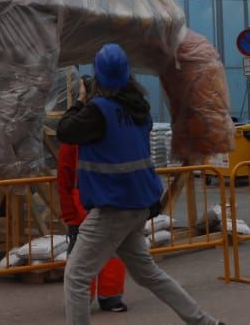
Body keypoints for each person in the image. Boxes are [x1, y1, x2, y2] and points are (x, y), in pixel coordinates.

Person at [58, 44, 224, 325]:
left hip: (113, 207)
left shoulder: (98, 111)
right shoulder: (139, 112)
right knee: (148, 273)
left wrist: (80, 100)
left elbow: (66, 130)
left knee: (76, 275)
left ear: (97, 77)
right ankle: (205, 322)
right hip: (139, 203)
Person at [57, 79, 128, 313]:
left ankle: (95, 297)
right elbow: (66, 176)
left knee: (87, 256)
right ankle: (104, 297)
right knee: (103, 252)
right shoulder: (104, 131)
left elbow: (64, 178)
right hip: (98, 205)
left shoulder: (76, 136)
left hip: (90, 206)